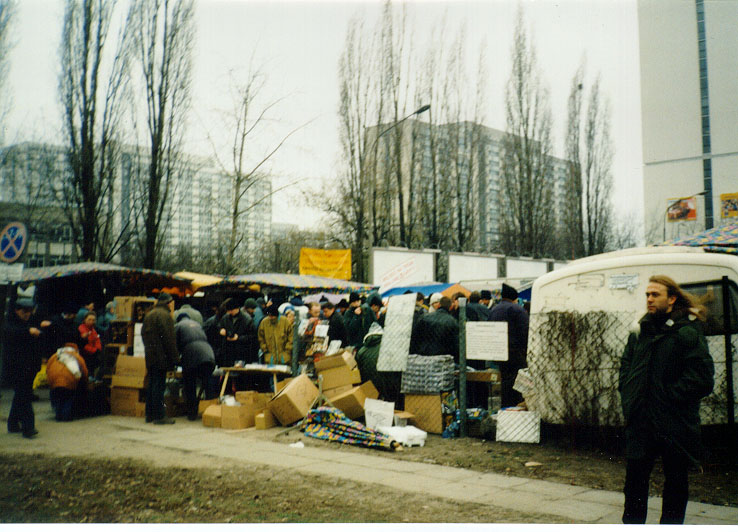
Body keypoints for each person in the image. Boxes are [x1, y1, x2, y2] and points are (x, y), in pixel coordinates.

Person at [618, 275, 714, 524]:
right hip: (641, 421)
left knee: (675, 484)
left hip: (674, 423)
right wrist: (628, 393)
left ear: (671, 299)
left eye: (655, 295)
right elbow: (626, 366)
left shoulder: (687, 332)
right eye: (647, 295)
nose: (649, 299)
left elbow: (702, 378)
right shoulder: (640, 331)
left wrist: (669, 398)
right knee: (634, 484)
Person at [4, 299, 44, 438]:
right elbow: (11, 333)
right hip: (16, 367)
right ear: (17, 310)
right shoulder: (10, 323)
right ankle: (28, 427)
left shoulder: (30, 322)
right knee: (24, 396)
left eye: (29, 311)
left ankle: (13, 424)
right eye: (24, 311)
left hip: (29, 366)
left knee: (21, 395)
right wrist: (28, 331)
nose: (27, 314)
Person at [488, 283, 529, 407]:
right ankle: (516, 406)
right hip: (516, 354)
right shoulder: (517, 310)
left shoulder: (493, 310)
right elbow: (525, 332)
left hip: (499, 353)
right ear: (514, 298)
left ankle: (506, 406)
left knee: (504, 382)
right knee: (518, 383)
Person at [141, 292, 179, 425]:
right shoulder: (165, 315)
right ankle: (159, 416)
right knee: (159, 386)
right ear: (169, 303)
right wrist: (175, 358)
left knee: (152, 384)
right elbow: (169, 339)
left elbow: (143, 334)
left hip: (150, 355)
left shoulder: (149, 314)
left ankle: (149, 414)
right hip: (161, 356)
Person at [175, 313, 216, 421]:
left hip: (192, 354)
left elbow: (174, 345)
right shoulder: (197, 324)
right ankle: (212, 412)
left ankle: (192, 414)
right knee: (208, 382)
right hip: (208, 353)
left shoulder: (178, 326)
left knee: (190, 384)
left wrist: (176, 360)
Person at [46, 344, 88, 421]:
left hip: (53, 379)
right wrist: (85, 381)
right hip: (69, 380)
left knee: (58, 397)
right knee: (68, 398)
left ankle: (58, 415)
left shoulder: (55, 355)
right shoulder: (77, 356)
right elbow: (84, 371)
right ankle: (66, 416)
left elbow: (47, 368)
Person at [410, 296, 459, 361]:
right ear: (450, 307)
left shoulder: (424, 317)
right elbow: (455, 344)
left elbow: (415, 337)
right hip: (442, 358)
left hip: (423, 356)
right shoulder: (452, 321)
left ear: (439, 305)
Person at [217, 298, 257, 366]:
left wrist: (238, 338)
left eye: (231, 310)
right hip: (227, 353)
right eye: (228, 311)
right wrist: (220, 330)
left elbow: (252, 337)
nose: (229, 312)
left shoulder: (247, 319)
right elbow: (218, 327)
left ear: (237, 309)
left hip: (241, 353)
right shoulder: (225, 318)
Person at [78, 311, 102, 379]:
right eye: (89, 319)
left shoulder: (93, 330)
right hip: (85, 353)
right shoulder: (81, 329)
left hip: (92, 353)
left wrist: (98, 349)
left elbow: (97, 340)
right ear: (84, 320)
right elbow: (83, 344)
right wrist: (94, 350)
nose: (91, 321)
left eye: (93, 320)